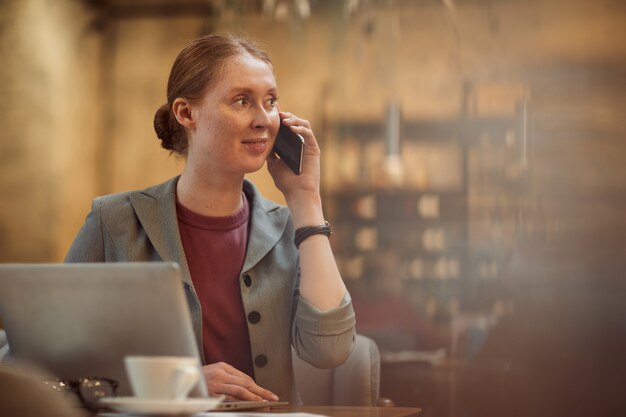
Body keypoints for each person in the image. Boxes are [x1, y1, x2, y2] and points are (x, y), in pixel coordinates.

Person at [65, 32, 356, 404]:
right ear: (186, 113)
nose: (264, 120)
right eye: (242, 101)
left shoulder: (289, 227)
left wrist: (306, 200)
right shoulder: (114, 221)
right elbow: (44, 363)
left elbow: (330, 351)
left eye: (270, 101)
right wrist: (176, 383)